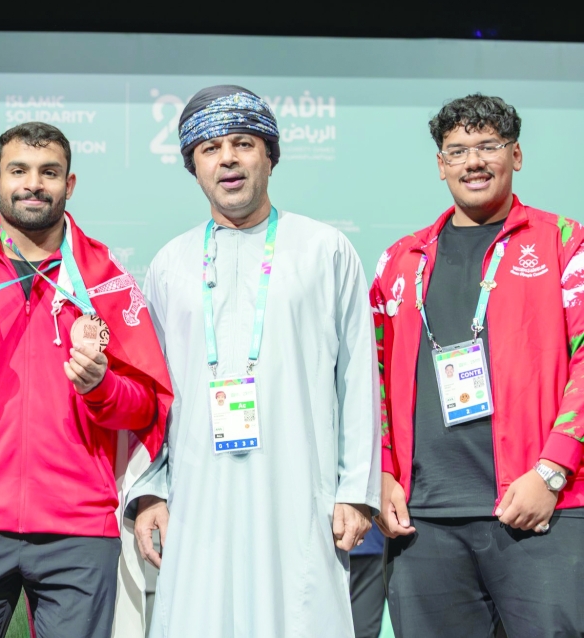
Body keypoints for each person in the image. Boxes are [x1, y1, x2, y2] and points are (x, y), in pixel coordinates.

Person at [0, 122, 172, 638]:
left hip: (78, 529)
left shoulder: (105, 280)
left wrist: (102, 387)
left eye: (49, 172)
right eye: (19, 171)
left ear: (70, 184)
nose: (34, 184)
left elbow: (146, 406)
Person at [128, 85, 380, 637]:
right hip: (197, 493)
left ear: (270, 155)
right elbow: (151, 391)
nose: (228, 159)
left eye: (243, 144)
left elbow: (358, 377)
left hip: (301, 489)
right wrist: (150, 490)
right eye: (210, 148)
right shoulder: (169, 264)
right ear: (193, 166)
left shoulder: (325, 249)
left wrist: (356, 492)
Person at [373, 94, 584, 637]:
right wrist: (384, 473)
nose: (473, 162)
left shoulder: (564, 242)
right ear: (440, 164)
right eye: (457, 150)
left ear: (517, 155)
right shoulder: (401, 260)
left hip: (540, 508)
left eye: (489, 146)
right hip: (423, 521)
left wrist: (551, 472)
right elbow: (371, 377)